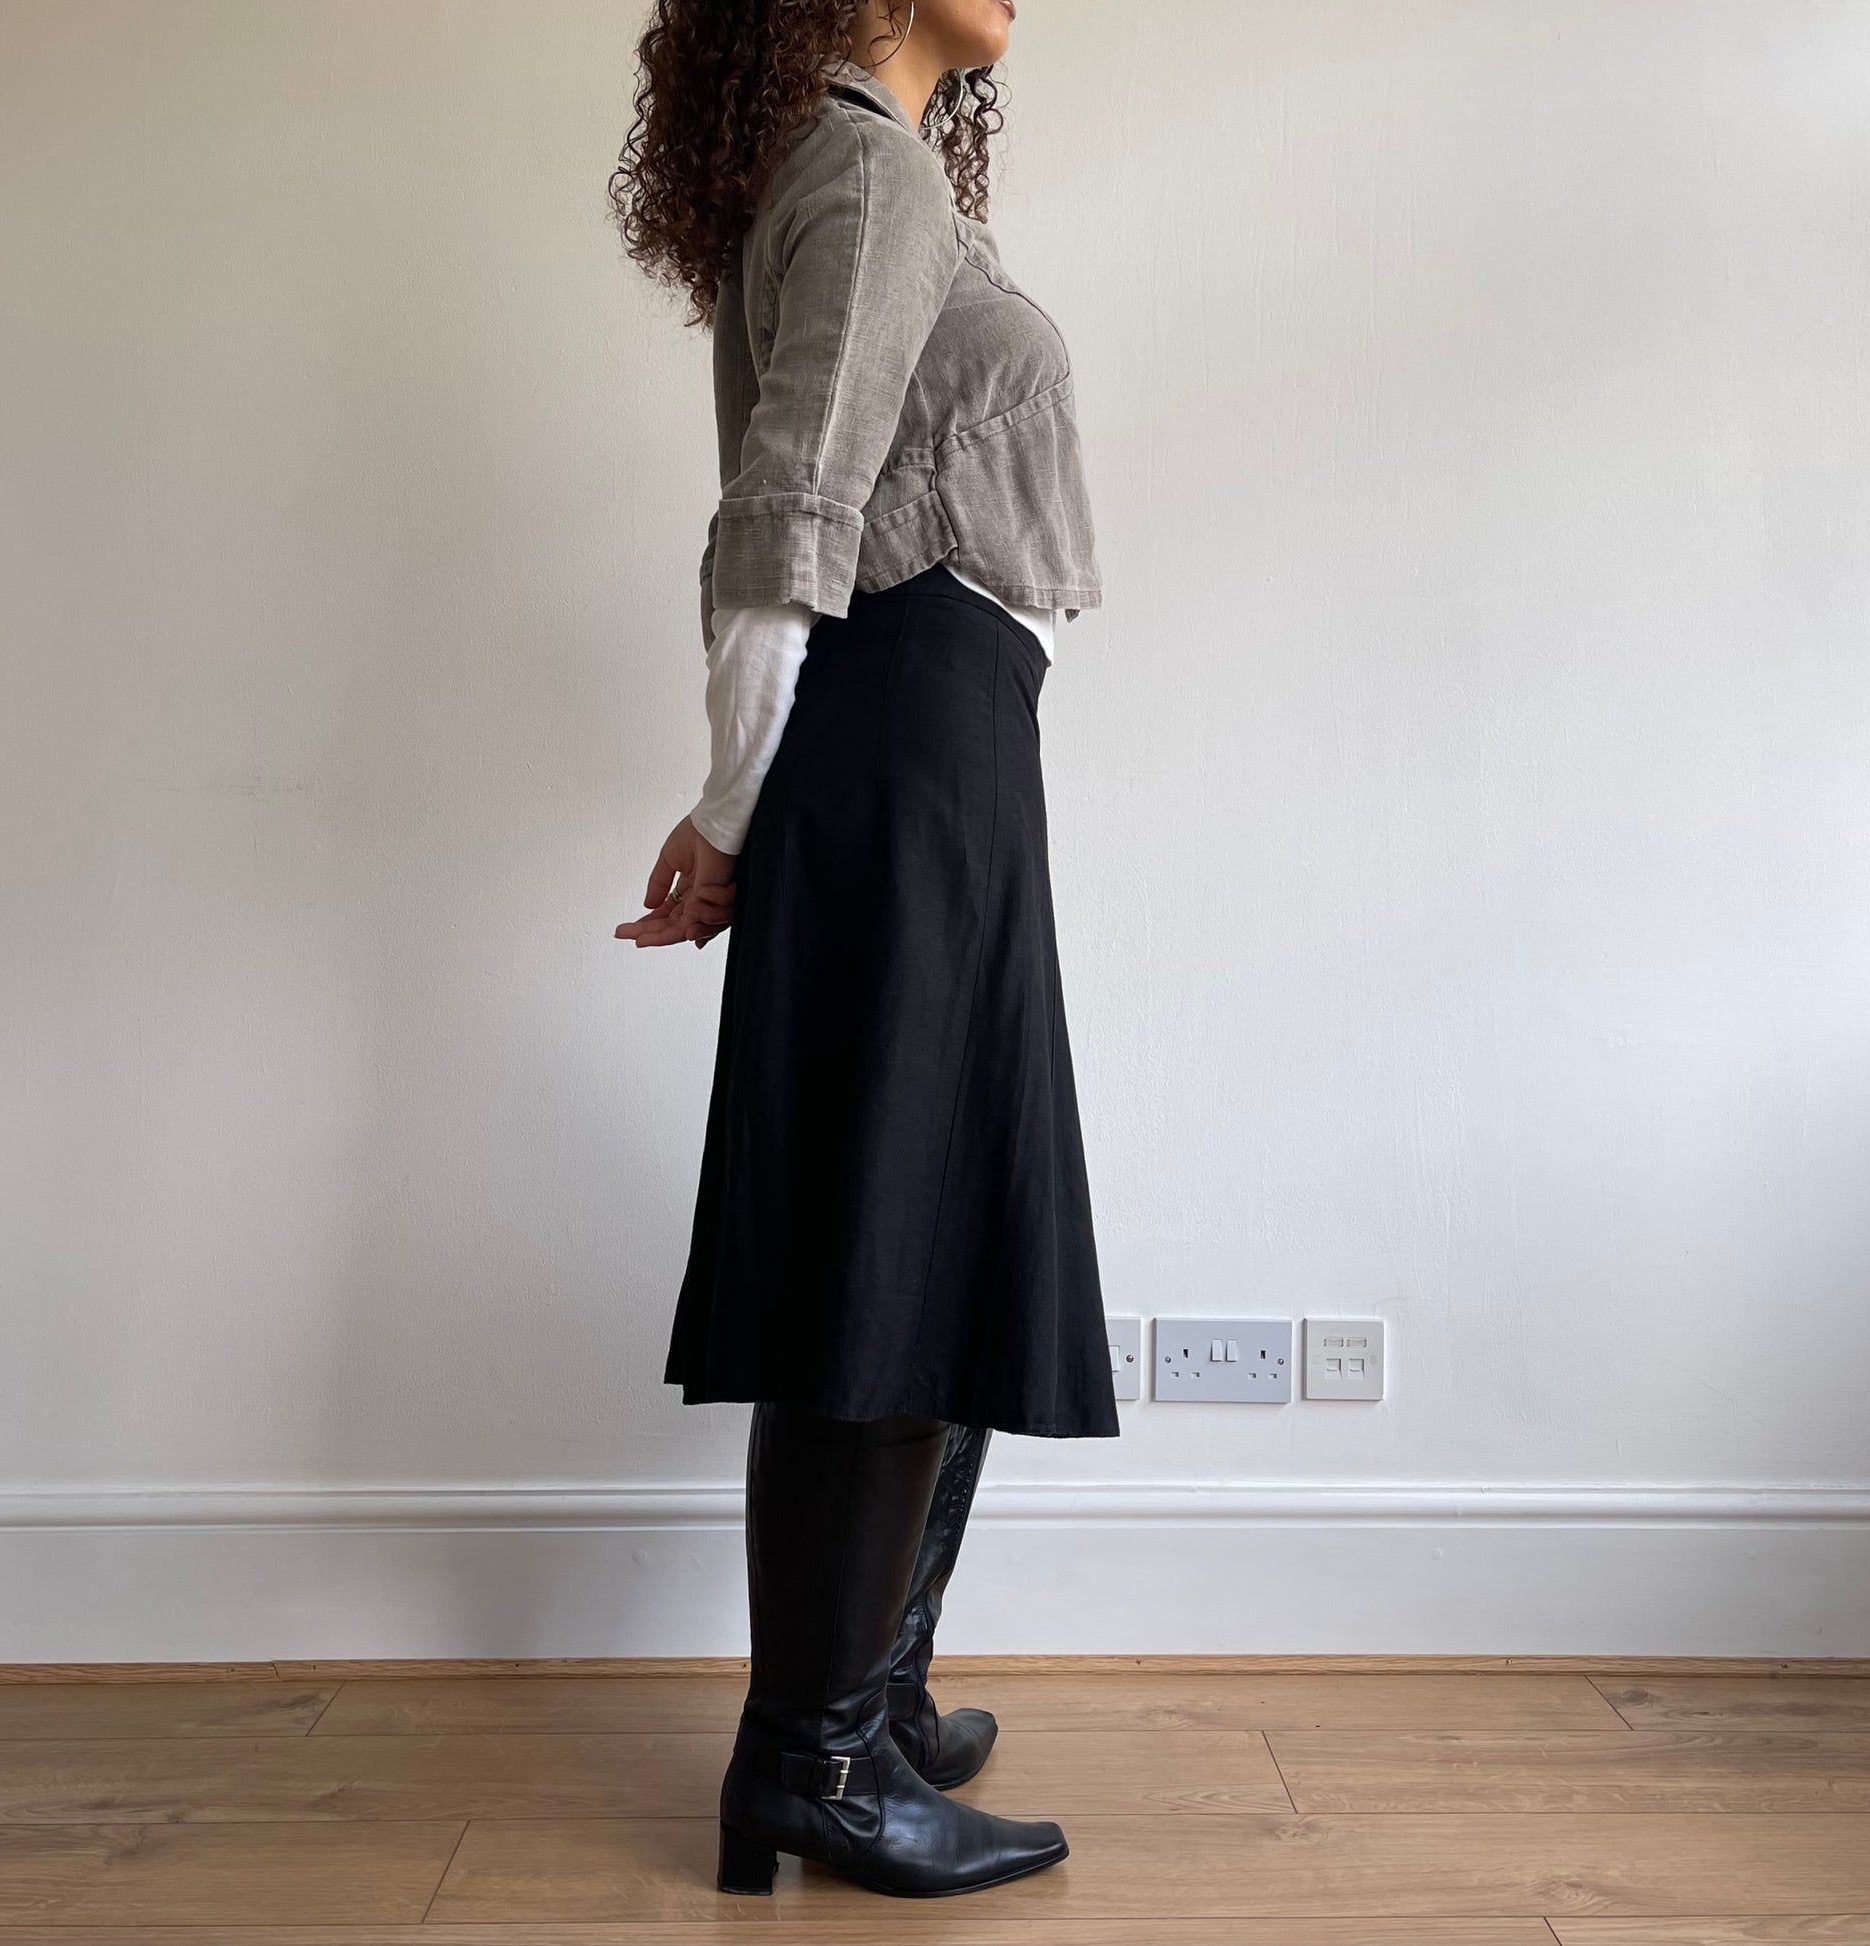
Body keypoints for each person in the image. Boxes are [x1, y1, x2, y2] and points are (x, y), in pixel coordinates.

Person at [610, 0, 1117, 1899]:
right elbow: (789, 505)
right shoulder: (867, 168)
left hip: (929, 737)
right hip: (904, 733)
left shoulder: (861, 171)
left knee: (927, 1217)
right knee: (890, 1228)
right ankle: (810, 1759)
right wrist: (733, 803)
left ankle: (865, 1702)